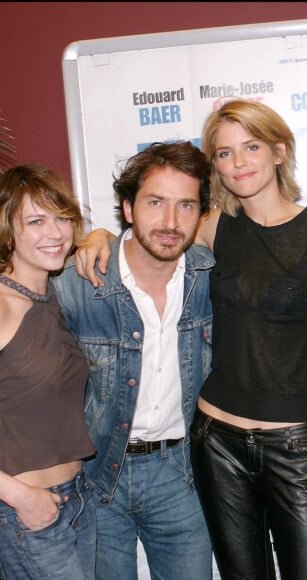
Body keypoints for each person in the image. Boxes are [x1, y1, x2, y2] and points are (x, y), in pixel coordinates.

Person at [79, 99, 307, 579]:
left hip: (300, 444)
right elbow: (153, 232)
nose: (239, 163)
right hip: (217, 444)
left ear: (278, 151)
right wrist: (99, 236)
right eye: (226, 153)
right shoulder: (212, 227)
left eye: (251, 147)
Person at [50, 141, 214, 579]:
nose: (169, 221)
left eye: (185, 206)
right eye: (155, 202)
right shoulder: (76, 285)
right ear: (127, 207)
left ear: (201, 214)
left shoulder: (213, 280)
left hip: (181, 476)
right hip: (97, 475)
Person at [0, 164, 96, 579]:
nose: (55, 233)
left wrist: (101, 237)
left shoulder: (54, 296)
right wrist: (19, 496)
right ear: (8, 230)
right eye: (36, 221)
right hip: (25, 512)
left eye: (62, 219)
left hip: (78, 499)